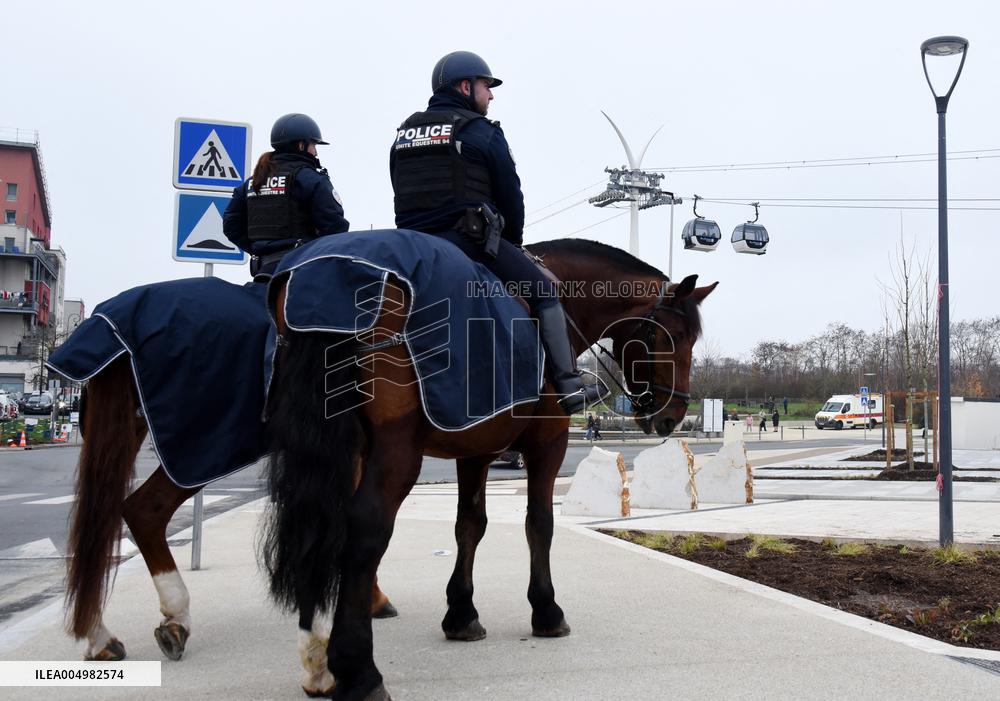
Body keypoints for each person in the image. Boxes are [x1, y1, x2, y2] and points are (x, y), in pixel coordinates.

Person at [389, 51, 608, 416]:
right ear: (465, 86)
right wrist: (512, 245)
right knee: (545, 291)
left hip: (411, 248)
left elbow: (398, 187)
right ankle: (569, 388)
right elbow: (511, 196)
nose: (490, 95)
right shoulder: (480, 132)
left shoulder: (403, 134)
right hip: (467, 243)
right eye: (486, 86)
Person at [224, 113, 350, 281]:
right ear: (301, 145)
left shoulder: (252, 182)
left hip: (263, 274)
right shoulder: (309, 179)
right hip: (300, 272)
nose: (315, 151)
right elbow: (335, 227)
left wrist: (258, 249)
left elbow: (231, 225)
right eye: (313, 145)